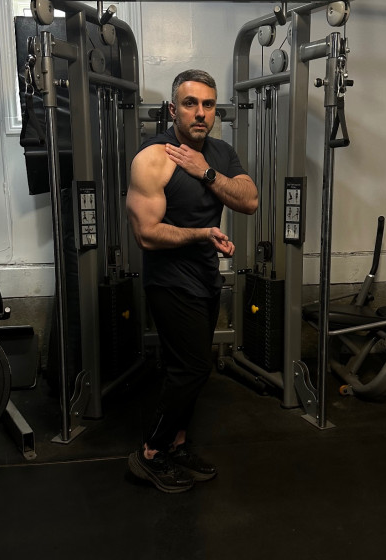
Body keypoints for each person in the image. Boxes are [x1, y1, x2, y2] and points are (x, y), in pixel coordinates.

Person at [126, 69, 258, 493]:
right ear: (172, 109)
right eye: (190, 103)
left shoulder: (220, 153)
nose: (200, 113)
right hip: (169, 280)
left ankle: (176, 445)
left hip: (205, 278)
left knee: (187, 369)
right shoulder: (153, 158)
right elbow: (147, 234)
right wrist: (202, 234)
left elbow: (250, 201)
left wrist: (206, 173)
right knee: (194, 369)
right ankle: (150, 453)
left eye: (208, 105)